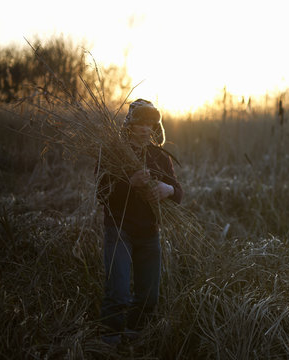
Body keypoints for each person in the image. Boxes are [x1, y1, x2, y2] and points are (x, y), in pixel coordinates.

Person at [95, 99, 183, 345]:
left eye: (150, 123)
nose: (145, 128)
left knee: (148, 296)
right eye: (139, 122)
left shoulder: (159, 156)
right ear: (129, 125)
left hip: (149, 233)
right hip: (119, 229)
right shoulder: (113, 152)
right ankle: (109, 342)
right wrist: (129, 182)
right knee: (118, 292)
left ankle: (135, 339)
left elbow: (179, 192)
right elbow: (101, 193)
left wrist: (167, 189)